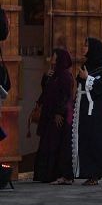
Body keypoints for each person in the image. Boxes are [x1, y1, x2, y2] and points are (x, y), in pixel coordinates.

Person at [72, 37, 102, 185]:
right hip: (84, 108)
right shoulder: (87, 64)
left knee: (96, 140)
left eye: (86, 45)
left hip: (96, 110)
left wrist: (88, 78)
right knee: (86, 139)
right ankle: (87, 172)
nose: (83, 47)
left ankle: (96, 173)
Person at [33, 48, 74, 184]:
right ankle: (45, 175)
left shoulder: (65, 76)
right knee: (47, 143)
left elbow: (66, 96)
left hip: (58, 115)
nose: (51, 58)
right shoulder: (54, 74)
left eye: (54, 56)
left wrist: (59, 112)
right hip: (49, 114)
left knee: (55, 144)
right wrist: (46, 77)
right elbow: (46, 91)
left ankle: (56, 174)